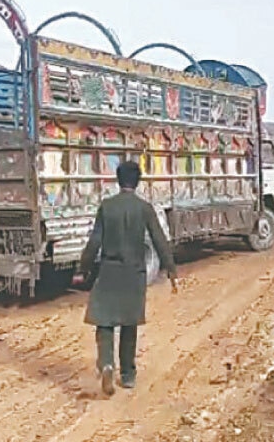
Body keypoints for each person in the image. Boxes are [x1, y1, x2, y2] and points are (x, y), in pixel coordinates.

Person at [72, 160, 177, 396]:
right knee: (129, 324)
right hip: (134, 274)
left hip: (109, 271)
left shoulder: (107, 207)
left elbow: (95, 242)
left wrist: (82, 269)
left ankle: (107, 363)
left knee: (105, 321)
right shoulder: (145, 208)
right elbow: (160, 239)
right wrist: (170, 269)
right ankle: (128, 375)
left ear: (118, 180)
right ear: (137, 182)